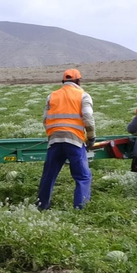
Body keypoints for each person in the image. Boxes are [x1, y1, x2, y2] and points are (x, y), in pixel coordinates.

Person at [36, 68, 95, 210]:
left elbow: (45, 119)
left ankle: (42, 206)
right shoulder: (83, 95)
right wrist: (91, 137)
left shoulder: (52, 96)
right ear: (78, 81)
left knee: (48, 175)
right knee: (82, 176)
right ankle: (80, 208)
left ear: (63, 81)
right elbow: (88, 118)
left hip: (55, 140)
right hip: (74, 140)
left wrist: (52, 134)